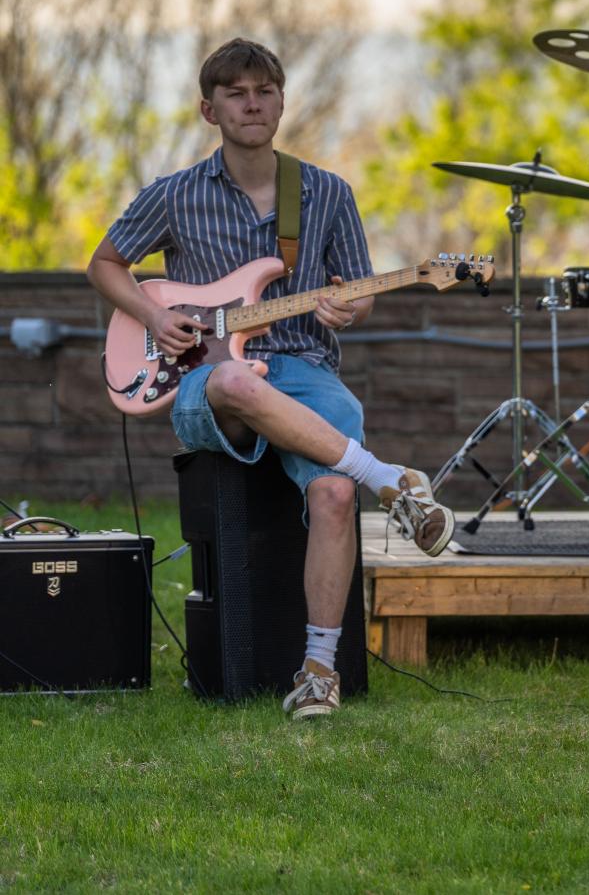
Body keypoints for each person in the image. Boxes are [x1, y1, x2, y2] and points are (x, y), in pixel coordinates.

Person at [86, 38, 454, 720]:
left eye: (264, 90)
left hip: (305, 368)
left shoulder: (327, 192)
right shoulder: (174, 195)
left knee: (336, 494)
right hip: (203, 374)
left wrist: (350, 305)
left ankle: (319, 670)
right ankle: (391, 479)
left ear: (282, 101)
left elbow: (357, 290)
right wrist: (151, 316)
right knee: (235, 383)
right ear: (209, 108)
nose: (252, 103)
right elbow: (105, 264)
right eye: (236, 92)